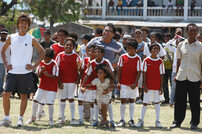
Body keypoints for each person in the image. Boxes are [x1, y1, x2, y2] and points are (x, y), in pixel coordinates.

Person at [0, 14, 45, 127]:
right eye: (21, 22)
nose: (23, 24)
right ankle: (6, 118)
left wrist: (34, 66)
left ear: (28, 26)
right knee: (6, 94)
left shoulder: (31, 39)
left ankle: (20, 119)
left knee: (24, 96)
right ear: (18, 24)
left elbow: (42, 52)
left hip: (25, 73)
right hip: (13, 71)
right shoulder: (11, 37)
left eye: (25, 23)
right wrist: (6, 63)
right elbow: (3, 50)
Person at [87, 23, 125, 127]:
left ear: (113, 34)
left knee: (107, 98)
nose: (106, 33)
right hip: (95, 75)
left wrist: (115, 64)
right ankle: (99, 118)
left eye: (108, 31)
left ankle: (110, 119)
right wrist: (91, 60)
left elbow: (124, 57)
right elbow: (87, 48)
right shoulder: (95, 40)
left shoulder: (118, 45)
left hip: (108, 77)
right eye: (105, 30)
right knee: (96, 98)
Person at [170, 23, 202, 130]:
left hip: (195, 77)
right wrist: (177, 74)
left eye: (194, 30)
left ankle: (194, 123)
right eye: (190, 30)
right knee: (179, 101)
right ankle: (177, 121)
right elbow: (179, 60)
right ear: (186, 32)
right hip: (181, 76)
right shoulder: (181, 45)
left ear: (197, 32)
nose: (192, 32)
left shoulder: (201, 47)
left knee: (195, 102)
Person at [81, 45, 114, 127]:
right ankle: (96, 119)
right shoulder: (92, 63)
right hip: (97, 86)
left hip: (106, 85)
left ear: (103, 54)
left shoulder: (106, 62)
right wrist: (82, 86)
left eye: (99, 52)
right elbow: (87, 75)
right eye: (95, 52)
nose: (96, 53)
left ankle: (111, 120)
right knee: (96, 101)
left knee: (107, 102)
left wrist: (110, 86)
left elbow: (112, 73)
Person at [26, 48, 58, 126]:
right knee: (35, 100)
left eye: (46, 58)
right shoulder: (42, 63)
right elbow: (39, 75)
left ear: (51, 57)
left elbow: (55, 76)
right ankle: (33, 117)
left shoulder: (54, 64)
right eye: (44, 57)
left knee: (50, 103)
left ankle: (51, 120)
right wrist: (41, 71)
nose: (44, 59)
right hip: (42, 86)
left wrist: (49, 75)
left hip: (51, 87)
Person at [135, 43, 165, 128]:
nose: (156, 50)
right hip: (148, 85)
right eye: (154, 48)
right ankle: (141, 120)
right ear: (150, 50)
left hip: (157, 85)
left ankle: (157, 121)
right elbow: (144, 72)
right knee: (145, 103)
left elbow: (161, 74)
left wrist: (161, 87)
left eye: (157, 49)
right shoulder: (146, 60)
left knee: (157, 103)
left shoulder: (160, 61)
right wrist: (145, 85)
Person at [56, 37, 81, 125]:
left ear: (73, 47)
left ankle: (73, 118)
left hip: (72, 81)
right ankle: (61, 117)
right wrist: (59, 82)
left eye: (70, 45)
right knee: (62, 99)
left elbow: (80, 68)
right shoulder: (60, 55)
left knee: (71, 99)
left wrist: (78, 78)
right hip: (62, 81)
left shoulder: (76, 56)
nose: (68, 47)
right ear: (64, 45)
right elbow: (56, 69)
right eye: (67, 45)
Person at [117, 38, 141, 127]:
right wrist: (118, 82)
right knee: (123, 100)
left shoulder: (138, 58)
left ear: (135, 49)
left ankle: (131, 119)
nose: (130, 50)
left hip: (133, 85)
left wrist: (135, 83)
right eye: (128, 48)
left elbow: (139, 72)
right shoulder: (122, 57)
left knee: (131, 100)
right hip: (123, 83)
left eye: (132, 48)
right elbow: (119, 70)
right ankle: (122, 119)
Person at [76, 45, 96, 125]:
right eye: (90, 51)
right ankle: (80, 118)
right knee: (80, 100)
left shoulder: (97, 62)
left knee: (92, 102)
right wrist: (80, 81)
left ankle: (92, 118)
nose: (91, 53)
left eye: (93, 52)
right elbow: (81, 72)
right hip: (84, 84)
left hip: (93, 85)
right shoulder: (85, 60)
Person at [162, 33, 176, 104]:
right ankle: (166, 99)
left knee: (172, 84)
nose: (167, 40)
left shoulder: (174, 47)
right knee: (164, 85)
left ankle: (173, 98)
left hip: (171, 68)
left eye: (168, 39)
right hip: (164, 68)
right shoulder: (163, 47)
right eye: (166, 38)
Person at [133, 29, 145, 104]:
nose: (138, 35)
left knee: (140, 81)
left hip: (140, 64)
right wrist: (140, 50)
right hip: (132, 63)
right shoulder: (132, 43)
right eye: (136, 33)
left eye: (139, 33)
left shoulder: (145, 44)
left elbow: (145, 55)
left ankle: (138, 96)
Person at [0, 29, 9, 95]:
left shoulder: (9, 43)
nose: (3, 35)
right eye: (2, 33)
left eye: (5, 34)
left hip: (4, 62)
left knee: (2, 76)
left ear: (6, 35)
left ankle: (0, 90)